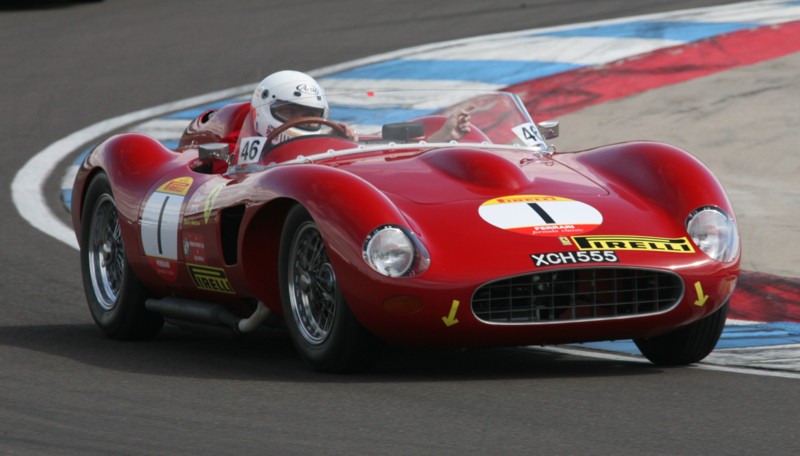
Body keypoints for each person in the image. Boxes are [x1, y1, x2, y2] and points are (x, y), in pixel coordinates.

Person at [250, 70, 473, 145]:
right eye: (290, 112)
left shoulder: (333, 145)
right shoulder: (245, 155)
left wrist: (446, 134)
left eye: (309, 115)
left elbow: (394, 164)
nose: (299, 120)